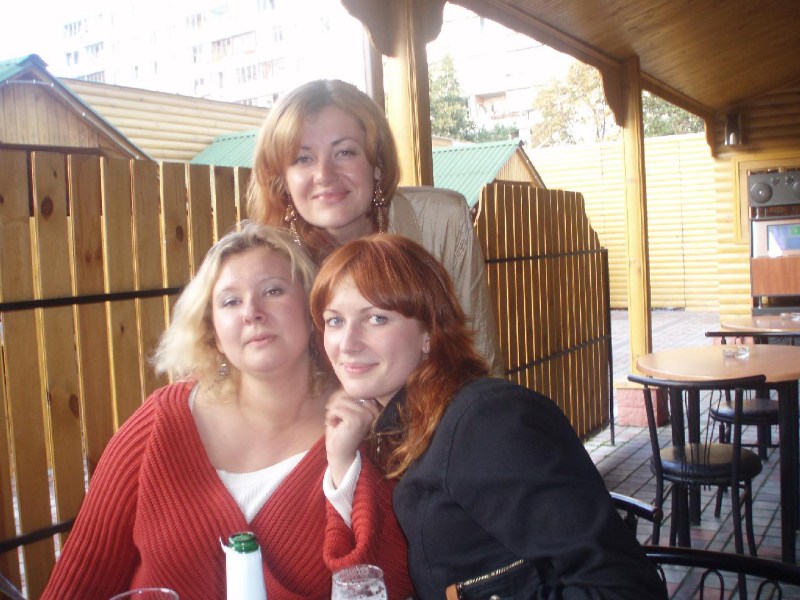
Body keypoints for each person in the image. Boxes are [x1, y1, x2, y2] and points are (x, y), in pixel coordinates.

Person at [42, 222, 413, 600]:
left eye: (273, 291)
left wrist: (345, 469)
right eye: (230, 301)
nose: (252, 312)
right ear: (213, 332)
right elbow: (80, 579)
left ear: (312, 310)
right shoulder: (159, 423)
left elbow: (391, 583)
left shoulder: (365, 424)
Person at [309, 234, 668, 600]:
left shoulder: (486, 422)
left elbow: (625, 588)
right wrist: (342, 460)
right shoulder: (402, 426)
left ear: (429, 332)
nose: (347, 343)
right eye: (334, 321)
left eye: (376, 318)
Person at [246, 78, 503, 374]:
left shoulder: (442, 220)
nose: (324, 175)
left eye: (344, 152)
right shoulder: (262, 261)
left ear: (377, 163)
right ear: (282, 180)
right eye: (303, 159)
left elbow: (478, 358)